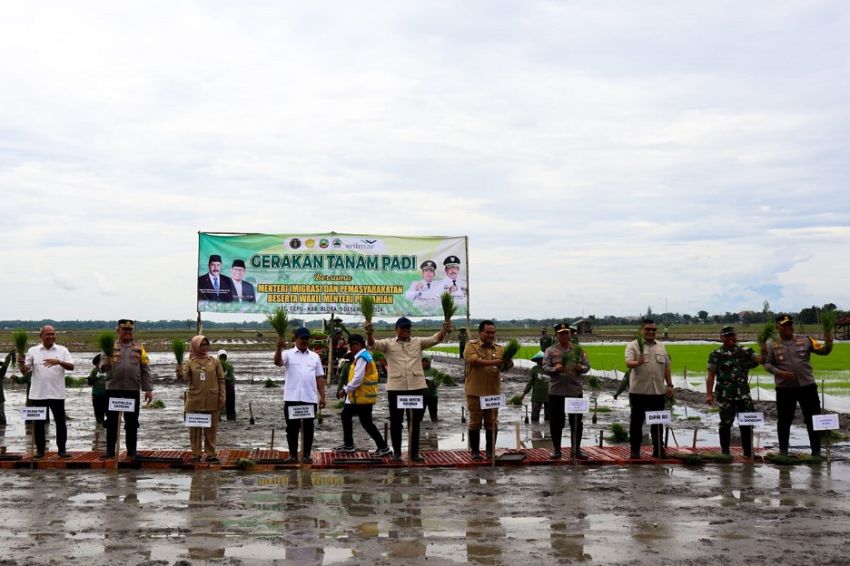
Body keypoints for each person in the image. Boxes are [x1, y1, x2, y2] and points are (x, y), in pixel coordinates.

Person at [367, 316, 450, 461]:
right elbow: (373, 345)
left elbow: (436, 339)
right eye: (402, 328)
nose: (405, 330)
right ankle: (398, 453)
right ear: (396, 329)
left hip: (416, 388)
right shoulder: (388, 344)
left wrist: (445, 328)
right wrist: (369, 333)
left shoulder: (418, 342)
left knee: (415, 422)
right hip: (396, 389)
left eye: (407, 328)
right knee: (396, 422)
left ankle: (414, 453)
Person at [764, 314, 833, 457]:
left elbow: (824, 351)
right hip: (785, 389)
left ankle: (816, 451)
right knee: (784, 419)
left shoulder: (806, 340)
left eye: (790, 324)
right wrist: (780, 373)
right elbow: (767, 364)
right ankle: (783, 451)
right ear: (778, 327)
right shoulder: (771, 344)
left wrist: (829, 339)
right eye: (784, 325)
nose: (788, 327)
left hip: (807, 386)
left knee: (813, 418)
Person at [19, 325, 75, 459]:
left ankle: (62, 450)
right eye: (47, 334)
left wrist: (59, 362)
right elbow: (25, 370)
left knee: (60, 422)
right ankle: (40, 451)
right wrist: (21, 364)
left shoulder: (62, 350)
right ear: (41, 336)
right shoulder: (33, 351)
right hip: (38, 394)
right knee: (39, 424)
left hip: (57, 393)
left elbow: (72, 366)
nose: (50, 336)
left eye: (52, 334)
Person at [101, 319, 154, 459]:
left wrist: (148, 389)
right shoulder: (109, 346)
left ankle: (132, 451)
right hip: (113, 389)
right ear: (117, 330)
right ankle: (110, 451)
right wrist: (106, 363)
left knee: (132, 422)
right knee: (111, 421)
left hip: (132, 390)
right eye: (124, 329)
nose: (127, 332)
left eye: (130, 330)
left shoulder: (139, 347)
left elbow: (145, 369)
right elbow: (101, 367)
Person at [706, 326, 761, 457]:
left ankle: (748, 452)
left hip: (743, 394)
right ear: (721, 338)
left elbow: (759, 360)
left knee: (746, 423)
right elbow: (711, 375)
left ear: (736, 336)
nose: (730, 338)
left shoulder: (745, 351)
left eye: (732, 336)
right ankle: (725, 452)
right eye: (726, 336)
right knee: (725, 423)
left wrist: (765, 348)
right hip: (725, 395)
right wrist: (709, 394)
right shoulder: (716, 354)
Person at [275, 327, 326, 464]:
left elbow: (319, 377)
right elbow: (278, 362)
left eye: (306, 338)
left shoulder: (315, 356)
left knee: (309, 428)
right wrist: (278, 348)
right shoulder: (287, 354)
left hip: (309, 399)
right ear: (295, 339)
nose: (305, 341)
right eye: (302, 338)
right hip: (292, 399)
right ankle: (292, 455)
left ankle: (306, 455)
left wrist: (323, 396)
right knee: (292, 428)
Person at [334, 334, 391, 456]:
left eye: (351, 345)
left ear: (358, 345)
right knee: (361, 421)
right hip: (362, 396)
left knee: (356, 419)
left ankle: (351, 445)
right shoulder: (364, 356)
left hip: (361, 397)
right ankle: (381, 446)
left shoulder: (362, 358)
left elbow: (357, 379)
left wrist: (345, 390)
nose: (349, 348)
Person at [464, 320, 512, 461]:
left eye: (493, 332)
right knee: (475, 422)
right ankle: (475, 452)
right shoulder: (470, 346)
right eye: (488, 332)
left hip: (493, 392)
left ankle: (490, 451)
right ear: (480, 332)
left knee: (492, 422)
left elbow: (503, 367)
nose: (491, 335)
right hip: (475, 392)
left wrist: (508, 363)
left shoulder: (499, 349)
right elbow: (473, 361)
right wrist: (495, 362)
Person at [625, 319, 673, 459]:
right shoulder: (634, 346)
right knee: (636, 422)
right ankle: (635, 450)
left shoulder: (661, 346)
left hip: (658, 391)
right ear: (641, 330)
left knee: (657, 422)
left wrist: (669, 385)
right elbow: (628, 363)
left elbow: (667, 366)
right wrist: (638, 362)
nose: (651, 332)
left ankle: (658, 449)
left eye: (653, 330)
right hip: (639, 391)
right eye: (648, 329)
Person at [543, 324, 590, 459]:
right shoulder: (550, 351)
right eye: (561, 333)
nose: (564, 336)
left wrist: (580, 368)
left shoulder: (578, 350)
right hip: (556, 392)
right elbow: (545, 367)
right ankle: (557, 450)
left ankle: (576, 450)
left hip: (575, 391)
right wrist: (555, 370)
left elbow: (587, 366)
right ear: (556, 335)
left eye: (566, 333)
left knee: (576, 422)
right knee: (556, 422)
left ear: (570, 334)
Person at [178, 336, 225, 463]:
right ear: (195, 346)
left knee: (211, 429)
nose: (204, 347)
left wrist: (222, 397)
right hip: (195, 400)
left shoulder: (214, 361)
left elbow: (221, 380)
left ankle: (211, 454)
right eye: (201, 345)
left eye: (206, 345)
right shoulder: (190, 362)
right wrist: (180, 372)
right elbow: (185, 379)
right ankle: (196, 453)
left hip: (212, 399)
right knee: (195, 429)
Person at [521, 352, 549, 423]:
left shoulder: (549, 368)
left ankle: (548, 433)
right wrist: (524, 394)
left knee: (549, 417)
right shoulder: (534, 369)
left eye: (542, 359)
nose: (540, 361)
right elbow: (530, 382)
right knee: (534, 416)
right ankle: (535, 432)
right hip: (537, 396)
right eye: (538, 360)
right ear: (536, 361)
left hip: (549, 395)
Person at [86, 354, 109, 431]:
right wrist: (90, 380)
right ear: (96, 363)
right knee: (98, 411)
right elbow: (90, 383)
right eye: (100, 362)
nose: (101, 363)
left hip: (107, 394)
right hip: (96, 394)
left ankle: (106, 425)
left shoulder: (109, 370)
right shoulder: (94, 371)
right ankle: (99, 426)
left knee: (108, 411)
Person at [218, 350, 237, 421]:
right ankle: (218, 419)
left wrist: (223, 378)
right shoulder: (216, 366)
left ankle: (231, 419)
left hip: (229, 389)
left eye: (224, 357)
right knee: (218, 406)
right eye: (221, 357)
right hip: (220, 390)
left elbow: (231, 378)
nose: (222, 359)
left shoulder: (229, 367)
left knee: (230, 406)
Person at [420, 356, 440, 422]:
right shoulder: (418, 371)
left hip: (432, 396)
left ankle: (435, 429)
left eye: (426, 361)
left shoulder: (434, 371)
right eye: (423, 361)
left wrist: (433, 384)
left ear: (429, 362)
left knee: (434, 416)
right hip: (421, 396)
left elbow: (438, 381)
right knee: (419, 416)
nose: (424, 363)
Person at [0, 350, 14, 427]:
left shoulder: (0, 373)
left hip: (0, 399)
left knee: (1, 416)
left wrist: (8, 356)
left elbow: (5, 365)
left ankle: (3, 429)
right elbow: (4, 365)